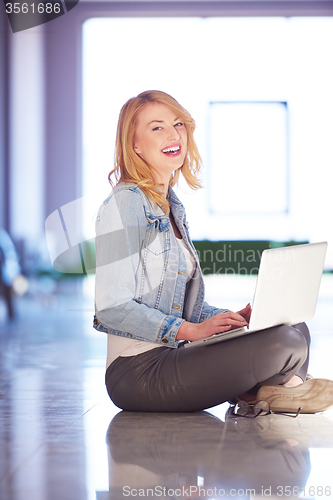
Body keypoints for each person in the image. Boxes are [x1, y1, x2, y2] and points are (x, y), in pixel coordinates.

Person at [93, 90, 333, 413]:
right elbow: (111, 307)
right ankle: (280, 389)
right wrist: (189, 331)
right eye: (157, 127)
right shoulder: (124, 203)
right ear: (134, 144)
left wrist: (230, 320)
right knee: (285, 344)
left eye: (177, 123)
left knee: (293, 328)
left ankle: (271, 392)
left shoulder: (171, 208)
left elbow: (181, 305)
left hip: (171, 355)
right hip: (137, 371)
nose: (173, 133)